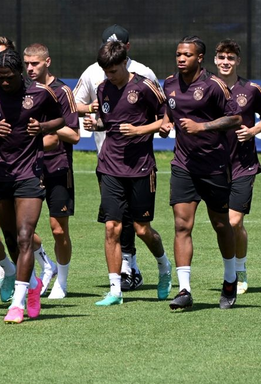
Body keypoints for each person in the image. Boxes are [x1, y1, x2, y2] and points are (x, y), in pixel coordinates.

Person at [0, 50, 64, 323]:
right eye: (0, 78)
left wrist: (42, 126)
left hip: (30, 174)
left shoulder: (41, 93)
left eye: (9, 78)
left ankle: (19, 303)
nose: (4, 83)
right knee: (9, 236)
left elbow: (61, 120)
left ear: (19, 73)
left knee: (24, 236)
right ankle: (32, 284)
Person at [83, 40, 172, 308]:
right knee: (112, 227)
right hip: (109, 167)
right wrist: (94, 122)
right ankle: (115, 290)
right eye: (106, 71)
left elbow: (166, 120)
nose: (109, 76)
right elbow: (107, 121)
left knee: (143, 230)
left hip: (141, 168)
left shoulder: (145, 86)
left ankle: (164, 267)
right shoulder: (102, 88)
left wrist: (140, 130)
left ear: (125, 62)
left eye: (113, 71)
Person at [160, 36, 242, 310]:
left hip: (215, 167)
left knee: (221, 225)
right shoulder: (169, 83)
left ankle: (230, 279)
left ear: (200, 58)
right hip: (183, 166)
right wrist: (164, 123)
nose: (181, 58)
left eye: (187, 54)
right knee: (182, 225)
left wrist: (203, 127)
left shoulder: (214, 86)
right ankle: (184, 289)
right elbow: (168, 115)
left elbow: (235, 118)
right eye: (178, 54)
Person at [75, 24, 154, 291]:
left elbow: (162, 116)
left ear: (126, 48)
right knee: (114, 221)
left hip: (137, 161)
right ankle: (123, 272)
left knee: (135, 221)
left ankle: (134, 266)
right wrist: (90, 110)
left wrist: (143, 130)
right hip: (106, 159)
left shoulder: (144, 74)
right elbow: (75, 104)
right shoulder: (92, 73)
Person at [213, 39, 261, 299]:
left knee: (234, 221)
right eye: (222, 57)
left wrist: (253, 131)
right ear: (215, 60)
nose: (226, 62)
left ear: (238, 61)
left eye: (231, 57)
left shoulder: (251, 90)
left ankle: (239, 270)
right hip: (214, 166)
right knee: (223, 224)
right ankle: (232, 269)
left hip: (243, 164)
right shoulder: (205, 88)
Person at [24, 42, 80, 299]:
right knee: (22, 228)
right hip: (28, 170)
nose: (29, 68)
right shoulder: (24, 92)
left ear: (47, 62)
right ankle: (46, 265)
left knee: (59, 230)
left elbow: (74, 135)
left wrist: (45, 126)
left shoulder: (62, 91)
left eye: (34, 63)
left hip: (58, 168)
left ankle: (63, 282)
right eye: (26, 64)